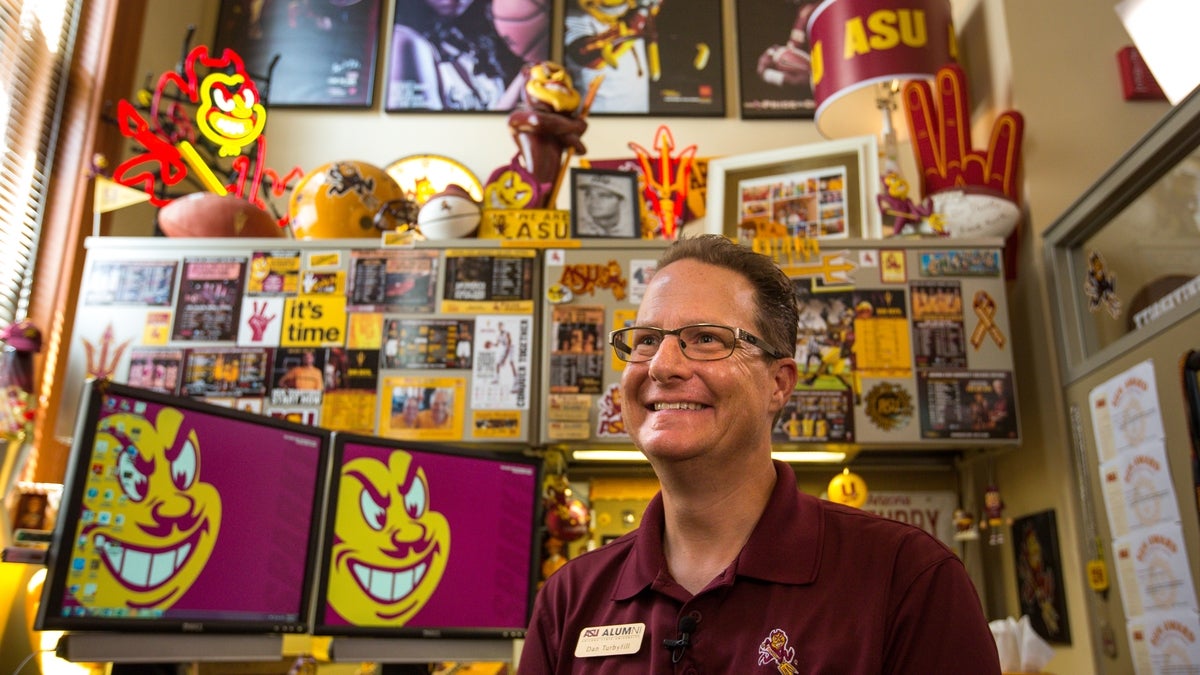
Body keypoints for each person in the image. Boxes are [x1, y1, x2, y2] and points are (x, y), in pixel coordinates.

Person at [519, 234, 1001, 673]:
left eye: (705, 338)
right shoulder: (568, 600)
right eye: (646, 340)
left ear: (778, 383)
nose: (662, 366)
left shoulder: (907, 578)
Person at [385, 0, 526, 111]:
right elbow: (424, 130)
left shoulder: (473, 40)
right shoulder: (406, 41)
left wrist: (526, 73)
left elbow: (494, 117)